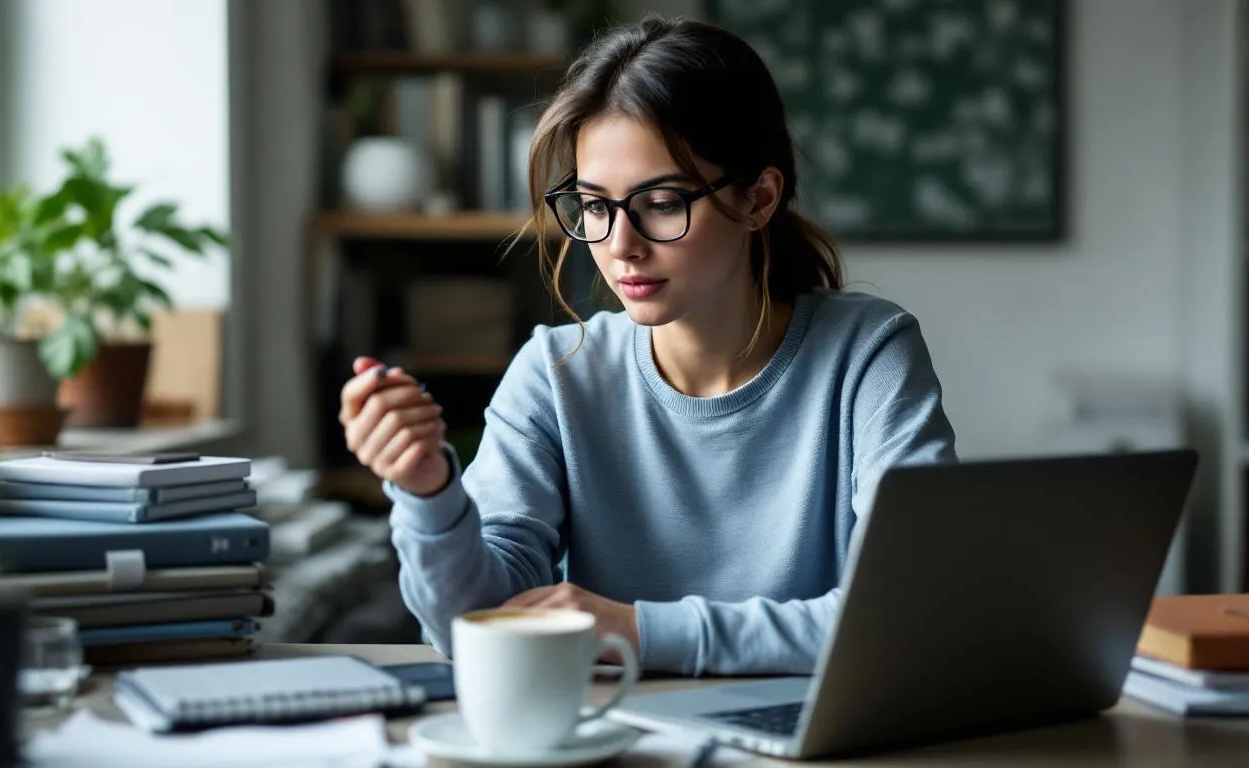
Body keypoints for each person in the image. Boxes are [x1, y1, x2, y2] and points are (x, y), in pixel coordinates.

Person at [338, 14, 956, 677]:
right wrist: (429, 492)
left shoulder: (867, 355)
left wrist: (639, 630)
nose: (620, 244)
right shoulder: (555, 375)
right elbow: (479, 627)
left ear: (758, 198)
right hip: (617, 735)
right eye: (595, 206)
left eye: (660, 202)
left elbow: (903, 615)